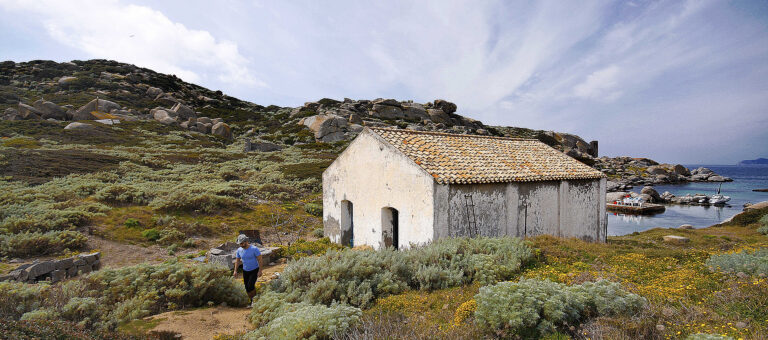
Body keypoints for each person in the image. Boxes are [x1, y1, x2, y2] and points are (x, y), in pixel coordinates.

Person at [232, 234, 262, 306]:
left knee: (251, 285)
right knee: (247, 287)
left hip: (254, 269)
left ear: (246, 241)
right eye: (240, 243)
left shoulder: (254, 249)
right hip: (245, 270)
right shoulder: (239, 250)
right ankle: (251, 300)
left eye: (242, 243)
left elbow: (260, 260)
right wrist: (235, 270)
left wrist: (260, 271)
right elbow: (237, 261)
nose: (241, 245)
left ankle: (255, 300)